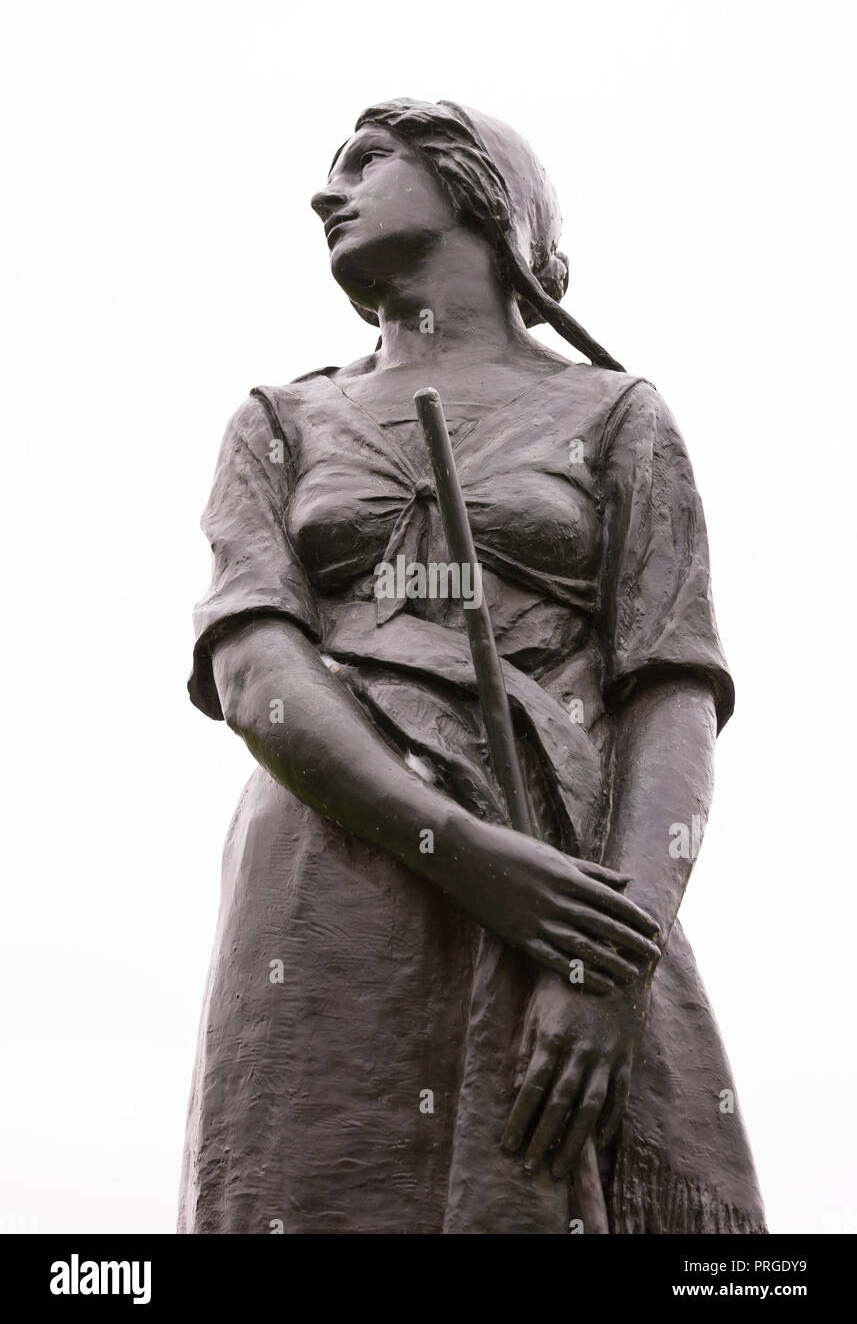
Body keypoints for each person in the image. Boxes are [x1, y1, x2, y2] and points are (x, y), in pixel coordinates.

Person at [178, 99, 766, 1234]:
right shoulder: (278, 421)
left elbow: (670, 693)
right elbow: (255, 671)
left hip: (571, 866)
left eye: (364, 162)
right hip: (335, 861)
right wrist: (469, 856)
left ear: (476, 184)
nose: (325, 193)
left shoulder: (615, 415)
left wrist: (607, 960)